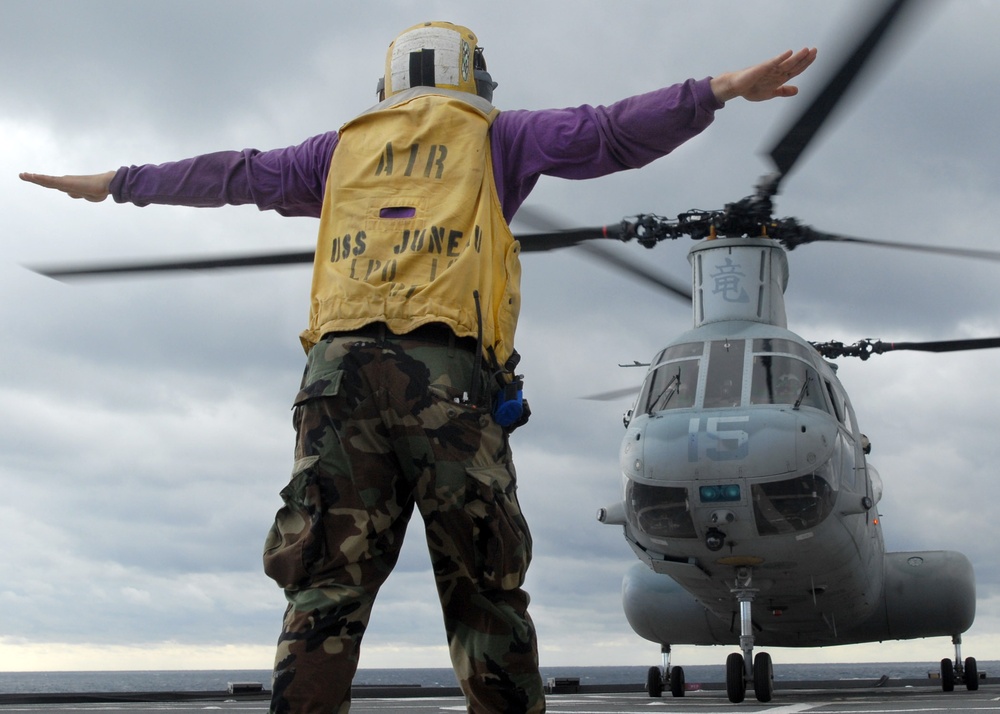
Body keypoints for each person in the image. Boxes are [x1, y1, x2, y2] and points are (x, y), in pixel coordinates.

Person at [21, 21, 816, 713]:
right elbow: (608, 132)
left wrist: (120, 184)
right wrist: (716, 90)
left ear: (389, 84)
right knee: (483, 590)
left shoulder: (338, 152)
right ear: (475, 79)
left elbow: (237, 172)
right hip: (446, 383)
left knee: (325, 587)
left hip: (334, 385)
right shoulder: (495, 135)